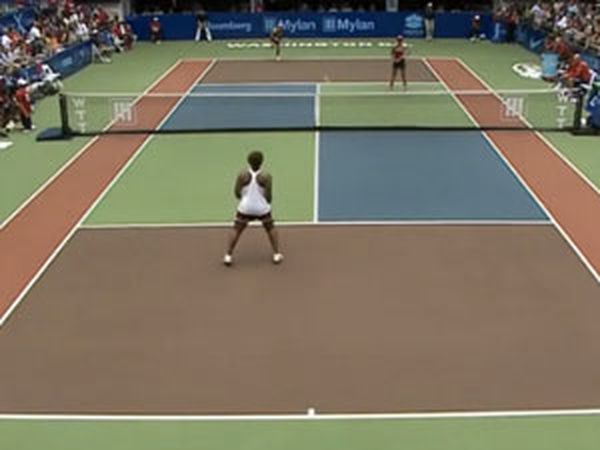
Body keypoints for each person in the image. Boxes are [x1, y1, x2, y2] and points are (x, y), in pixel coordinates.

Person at [224, 151, 283, 266]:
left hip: (245, 208)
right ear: (261, 161)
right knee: (271, 228)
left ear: (249, 161)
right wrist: (264, 203)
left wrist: (245, 198)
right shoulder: (266, 176)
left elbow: (236, 193)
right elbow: (269, 196)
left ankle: (228, 255)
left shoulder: (242, 175)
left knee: (236, 229)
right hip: (262, 209)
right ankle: (276, 254)